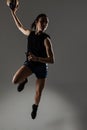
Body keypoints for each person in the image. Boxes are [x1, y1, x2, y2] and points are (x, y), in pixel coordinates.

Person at [9, 5, 55, 119]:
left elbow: (52, 60)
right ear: (37, 22)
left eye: (46, 23)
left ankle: (35, 107)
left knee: (38, 92)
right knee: (15, 81)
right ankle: (24, 80)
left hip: (42, 67)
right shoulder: (30, 34)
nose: (44, 24)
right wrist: (13, 12)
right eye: (42, 21)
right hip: (30, 64)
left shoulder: (46, 39)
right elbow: (19, 26)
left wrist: (37, 59)